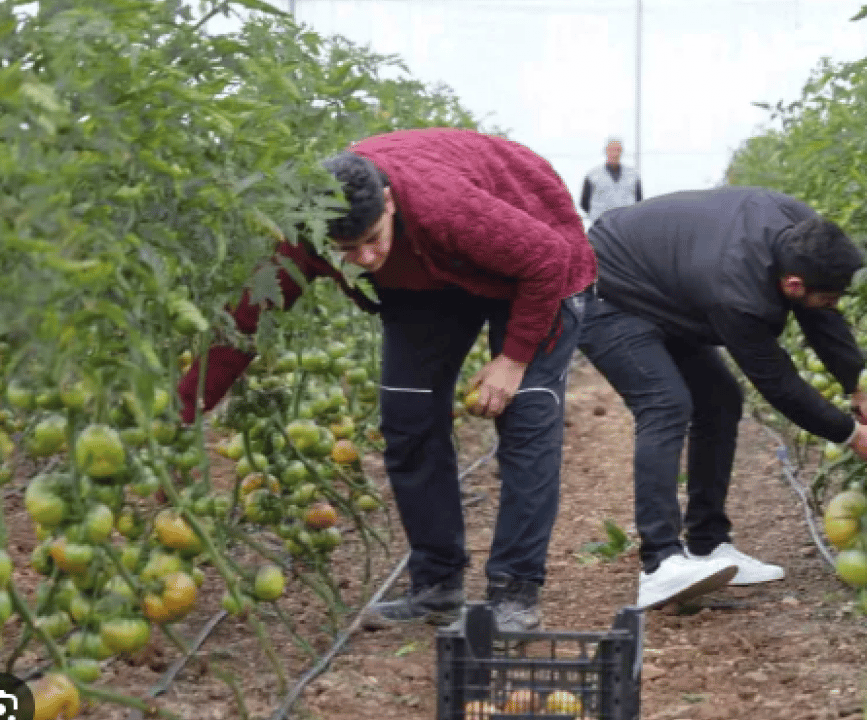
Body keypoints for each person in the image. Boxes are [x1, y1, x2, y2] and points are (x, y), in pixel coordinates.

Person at [177, 128, 597, 633]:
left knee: (526, 416)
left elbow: (545, 257)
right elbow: (249, 315)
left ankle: (515, 594)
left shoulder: (446, 207)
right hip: (428, 276)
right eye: (345, 251)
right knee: (408, 416)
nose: (365, 259)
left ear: (389, 202)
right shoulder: (309, 229)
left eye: (371, 240)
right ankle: (437, 587)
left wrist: (512, 359)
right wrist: (183, 409)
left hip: (532, 259)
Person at [576, 186, 867, 611]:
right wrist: (850, 433)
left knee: (719, 401)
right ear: (792, 284)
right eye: (828, 295)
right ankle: (659, 565)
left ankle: (708, 544)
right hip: (605, 293)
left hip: (665, 289)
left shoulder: (804, 231)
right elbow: (779, 383)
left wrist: (857, 387)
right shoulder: (736, 293)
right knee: (665, 403)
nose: (834, 303)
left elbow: (822, 315)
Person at [580, 137, 642, 226]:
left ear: (621, 152)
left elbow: (639, 201)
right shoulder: (593, 175)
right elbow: (584, 203)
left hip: (626, 225)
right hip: (601, 224)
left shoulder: (633, 175)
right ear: (606, 151)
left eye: (618, 150)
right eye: (612, 150)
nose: (615, 153)